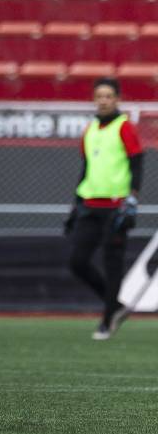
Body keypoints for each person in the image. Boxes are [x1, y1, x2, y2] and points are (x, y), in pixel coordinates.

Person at [65, 77, 143, 341]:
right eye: (99, 96)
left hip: (116, 206)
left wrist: (132, 199)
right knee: (77, 262)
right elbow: (86, 168)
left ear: (117, 99)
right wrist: (76, 205)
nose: (103, 101)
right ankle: (117, 306)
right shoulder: (90, 129)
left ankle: (108, 318)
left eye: (108, 96)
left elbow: (137, 163)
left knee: (112, 264)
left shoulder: (125, 127)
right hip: (90, 205)